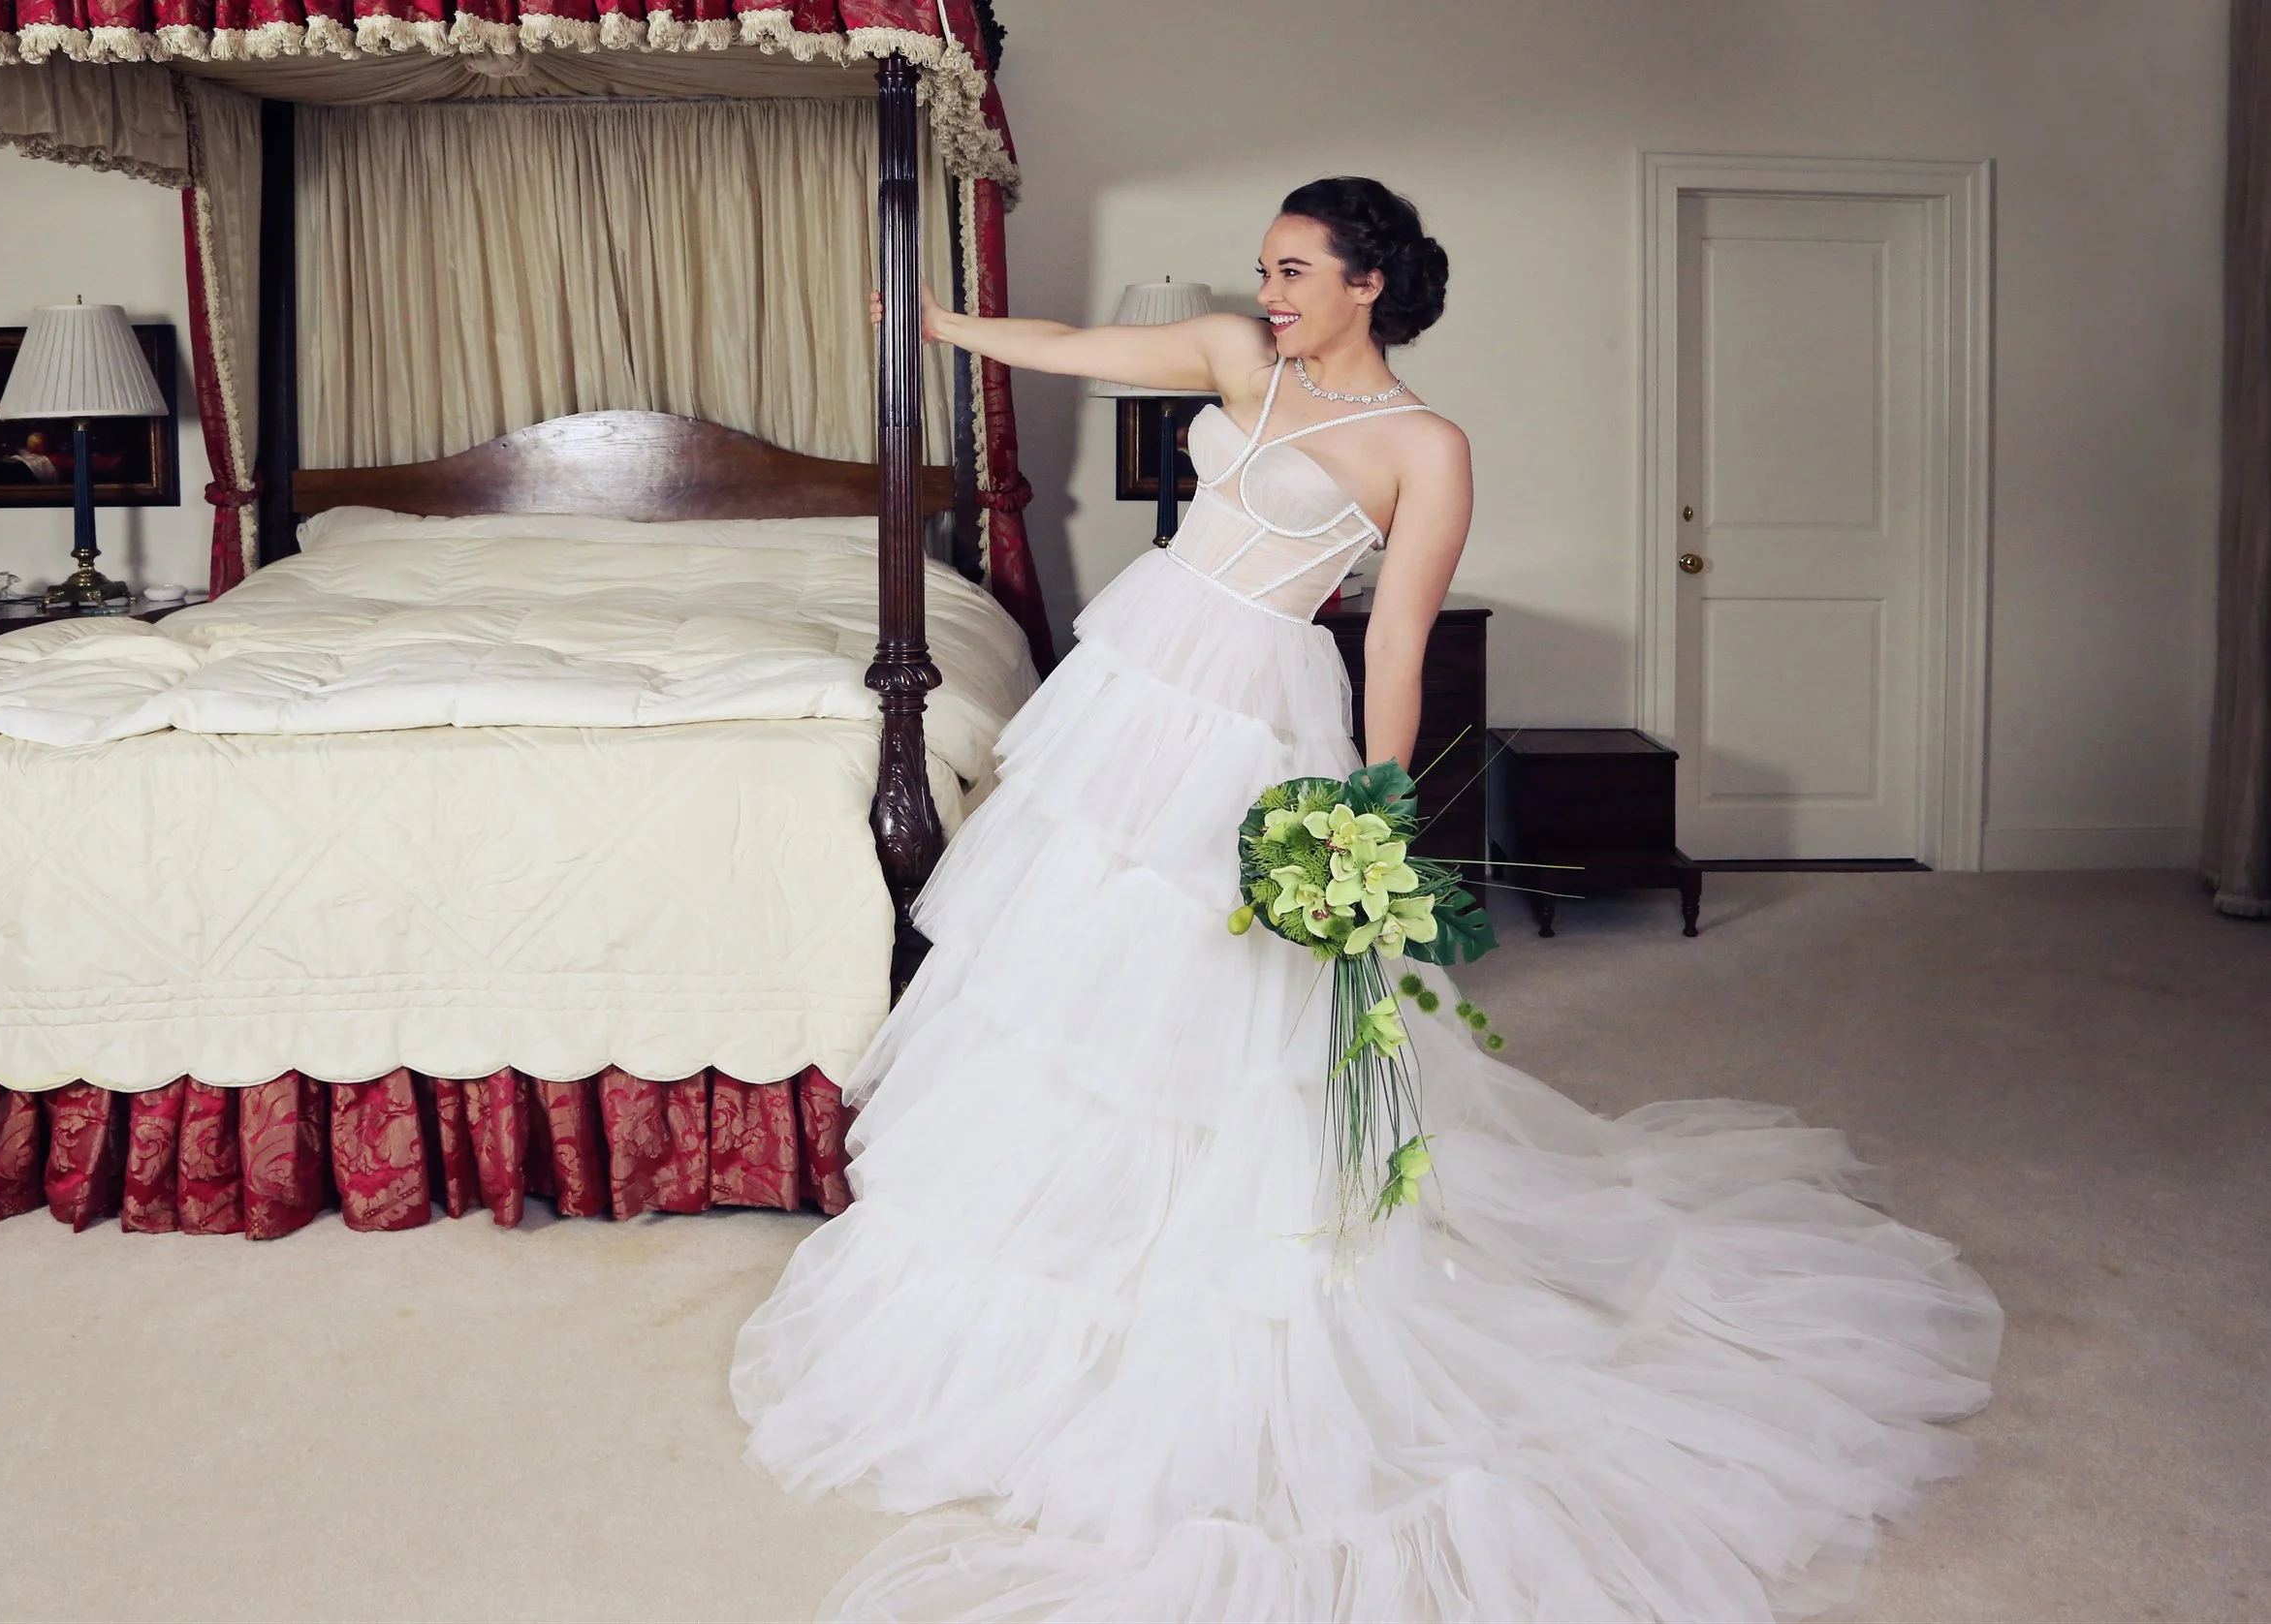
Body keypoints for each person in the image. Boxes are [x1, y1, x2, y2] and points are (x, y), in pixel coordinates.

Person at [733, 176, 2003, 1623]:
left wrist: (1372, 819)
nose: (1268, 289)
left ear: (1367, 283)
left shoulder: (1423, 445)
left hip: (1256, 712)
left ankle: (1207, 1265)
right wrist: (941, 320)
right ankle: (1060, 1235)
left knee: (1226, 992)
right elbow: (1074, 344)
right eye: (1265, 267)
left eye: (1294, 269)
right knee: (1071, 961)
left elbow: (1394, 647)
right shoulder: (1229, 359)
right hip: (1134, 685)